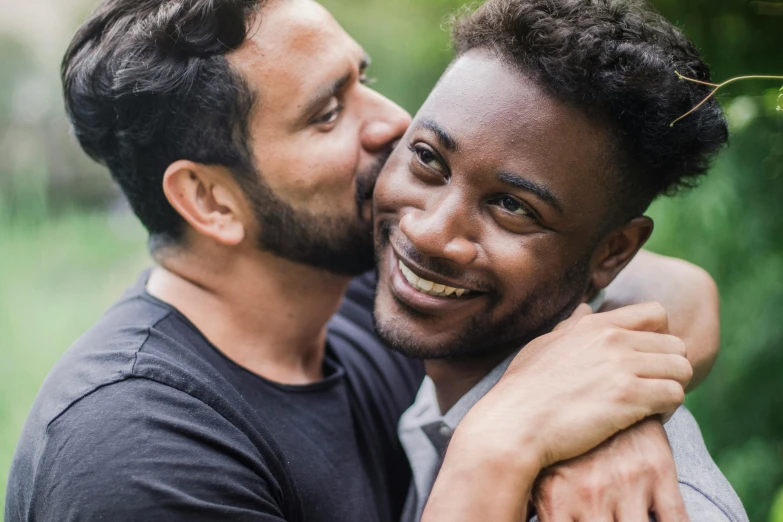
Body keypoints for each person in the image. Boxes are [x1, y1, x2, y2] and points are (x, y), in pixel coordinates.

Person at [5, 0, 718, 520]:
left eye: (361, 78)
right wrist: (499, 447)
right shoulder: (139, 452)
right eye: (327, 113)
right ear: (211, 201)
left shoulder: (367, 310)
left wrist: (609, 406)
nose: (391, 123)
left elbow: (671, 288)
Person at [369, 0, 747, 520]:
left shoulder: (633, 501)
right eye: (429, 158)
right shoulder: (431, 402)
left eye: (513, 207)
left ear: (613, 253)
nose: (430, 233)